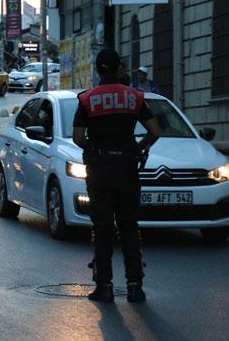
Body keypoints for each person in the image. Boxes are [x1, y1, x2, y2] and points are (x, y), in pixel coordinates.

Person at [72, 48, 160, 303]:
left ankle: (104, 286)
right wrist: (139, 147)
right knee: (129, 226)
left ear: (99, 69)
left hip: (100, 169)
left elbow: (78, 137)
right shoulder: (134, 97)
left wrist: (95, 150)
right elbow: (155, 131)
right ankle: (135, 286)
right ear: (118, 67)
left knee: (102, 227)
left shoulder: (87, 99)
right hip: (127, 168)